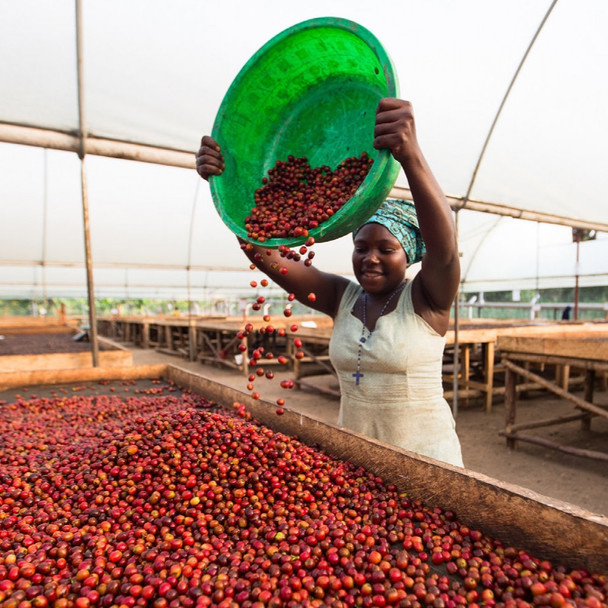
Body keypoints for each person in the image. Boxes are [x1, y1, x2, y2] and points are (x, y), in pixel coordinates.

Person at [196, 98, 464, 467]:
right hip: (355, 462)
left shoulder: (426, 299)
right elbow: (264, 252)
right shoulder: (341, 296)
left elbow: (446, 252)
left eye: (386, 249)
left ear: (408, 256)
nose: (370, 258)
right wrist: (228, 184)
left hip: (430, 465)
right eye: (361, 248)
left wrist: (411, 156)